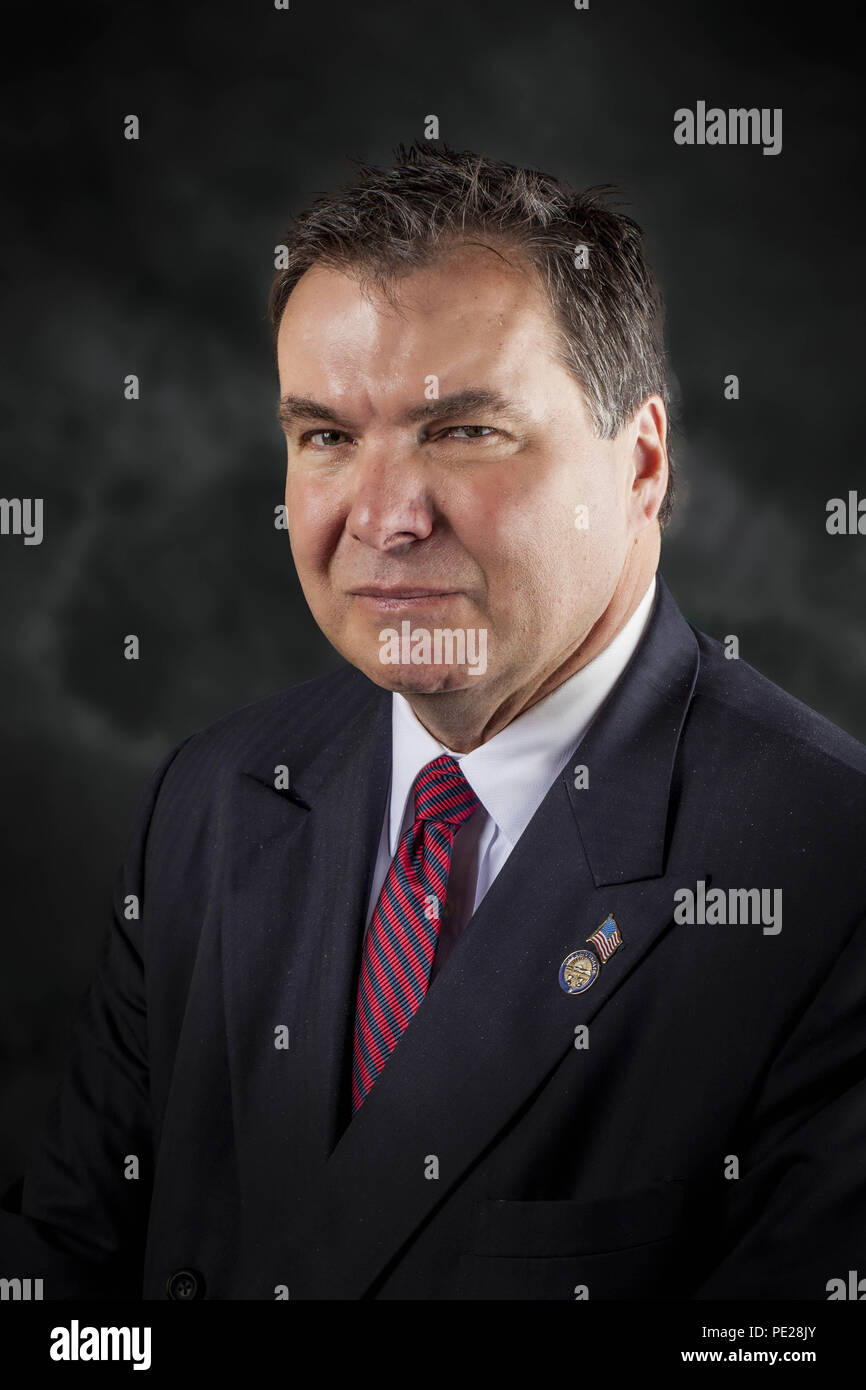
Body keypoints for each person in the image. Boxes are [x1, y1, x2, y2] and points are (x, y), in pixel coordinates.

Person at [2, 142, 864, 1301]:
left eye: (463, 431)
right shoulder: (207, 800)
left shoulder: (825, 873)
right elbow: (64, 1274)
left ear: (643, 463)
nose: (385, 516)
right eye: (326, 437)